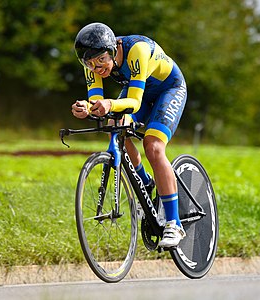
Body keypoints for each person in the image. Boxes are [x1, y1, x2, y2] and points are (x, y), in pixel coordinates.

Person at [71, 22, 187, 248]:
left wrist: (109, 103)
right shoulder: (92, 62)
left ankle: (174, 223)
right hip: (140, 90)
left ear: (113, 50)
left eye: (102, 60)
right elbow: (97, 101)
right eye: (90, 64)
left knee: (153, 146)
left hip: (168, 89)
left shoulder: (138, 50)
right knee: (114, 125)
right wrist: (86, 107)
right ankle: (145, 183)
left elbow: (133, 102)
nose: (97, 68)